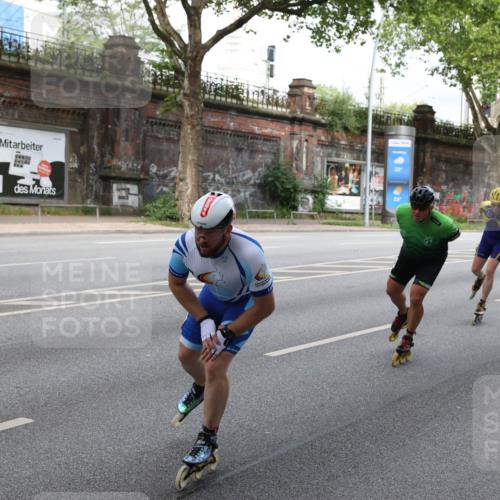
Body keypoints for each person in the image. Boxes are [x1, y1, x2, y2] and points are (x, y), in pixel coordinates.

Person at [168, 191, 275, 468]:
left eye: (210, 232)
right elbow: (177, 284)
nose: (201, 237)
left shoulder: (251, 254)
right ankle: (201, 386)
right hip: (213, 297)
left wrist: (227, 332)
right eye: (198, 228)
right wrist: (203, 318)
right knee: (185, 356)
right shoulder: (185, 244)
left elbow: (266, 307)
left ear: (228, 229)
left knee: (215, 365)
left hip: (244, 304)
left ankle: (208, 437)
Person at [386, 185, 460, 367]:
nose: (416, 212)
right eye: (414, 207)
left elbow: (455, 234)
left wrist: (434, 244)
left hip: (431, 260)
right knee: (391, 290)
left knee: (416, 297)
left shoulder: (444, 224)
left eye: (422, 208)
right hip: (409, 253)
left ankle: (408, 337)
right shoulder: (402, 212)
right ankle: (403, 313)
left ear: (431, 208)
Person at [469, 187, 500, 324]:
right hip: (486, 239)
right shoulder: (484, 207)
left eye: (498, 206)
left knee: (490, 270)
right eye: (493, 204)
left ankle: (482, 303)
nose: (495, 208)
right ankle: (480, 278)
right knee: (475, 269)